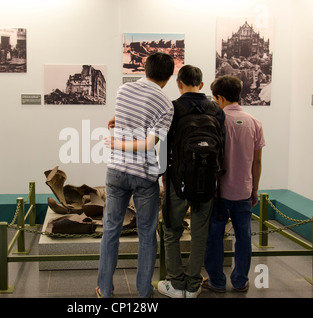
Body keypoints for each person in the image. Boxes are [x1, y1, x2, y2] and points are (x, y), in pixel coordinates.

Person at [96, 52, 175, 298]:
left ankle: (105, 290)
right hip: (144, 174)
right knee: (147, 233)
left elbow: (126, 117)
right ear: (169, 76)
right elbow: (149, 144)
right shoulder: (166, 105)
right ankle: (143, 293)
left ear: (145, 69)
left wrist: (116, 138)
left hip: (117, 171)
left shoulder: (123, 90)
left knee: (110, 229)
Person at [157, 65, 225, 298]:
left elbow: (164, 145)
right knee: (200, 233)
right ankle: (194, 284)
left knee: (171, 230)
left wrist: (163, 173)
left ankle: (176, 283)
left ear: (179, 83)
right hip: (208, 181)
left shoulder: (173, 108)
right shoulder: (216, 109)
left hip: (178, 179)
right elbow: (222, 147)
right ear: (202, 85)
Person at [203, 75, 265, 293]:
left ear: (219, 97)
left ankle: (216, 281)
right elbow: (256, 161)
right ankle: (240, 280)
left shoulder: (215, 122)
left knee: (215, 238)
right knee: (244, 237)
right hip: (244, 190)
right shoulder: (254, 122)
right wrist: (255, 188)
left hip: (219, 192)